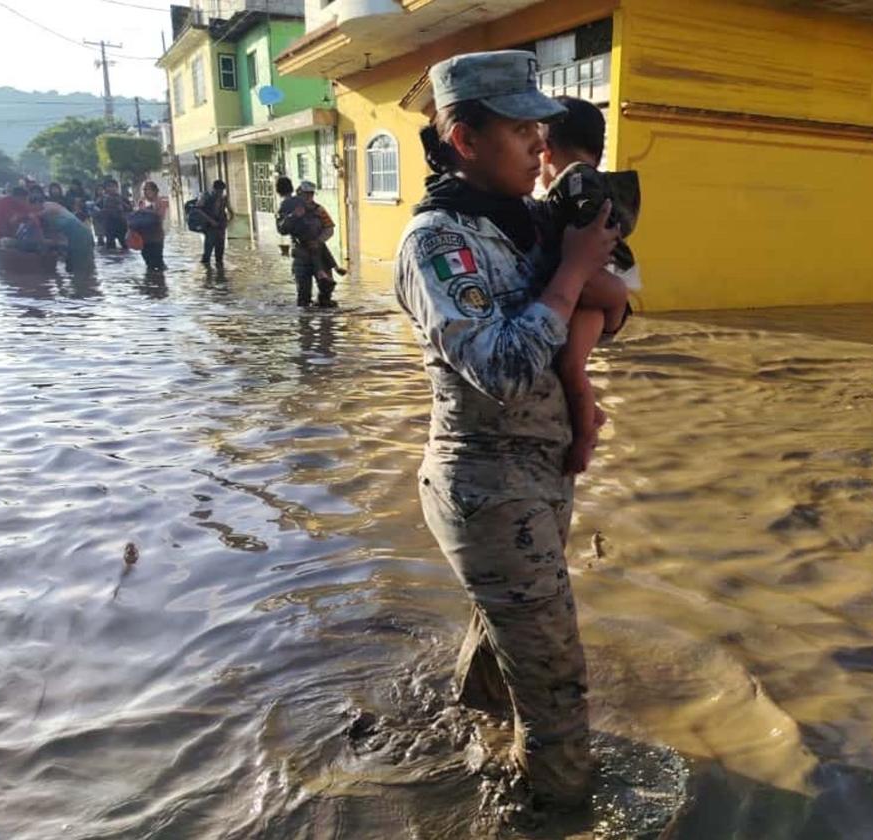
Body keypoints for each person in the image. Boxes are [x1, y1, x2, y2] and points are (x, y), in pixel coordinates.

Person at [395, 50, 619, 811]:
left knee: (506, 649)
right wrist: (573, 273)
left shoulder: (525, 224)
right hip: (487, 484)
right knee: (556, 681)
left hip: (540, 472)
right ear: (465, 139)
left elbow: (616, 308)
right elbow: (504, 368)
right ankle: (556, 815)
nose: (539, 144)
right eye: (521, 130)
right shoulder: (437, 243)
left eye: (541, 129)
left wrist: (588, 274)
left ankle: (470, 751)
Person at [539, 96, 640, 473]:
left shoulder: (576, 180)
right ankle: (589, 415)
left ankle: (585, 436)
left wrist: (573, 264)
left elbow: (587, 227)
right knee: (573, 364)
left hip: (594, 284)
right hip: (601, 284)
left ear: (546, 151)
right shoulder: (591, 181)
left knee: (571, 366)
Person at [276, 179, 345, 307]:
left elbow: (329, 228)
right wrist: (294, 216)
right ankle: (305, 318)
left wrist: (318, 241)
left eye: (311, 194)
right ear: (299, 193)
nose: (308, 197)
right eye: (305, 194)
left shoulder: (319, 210)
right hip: (301, 255)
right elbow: (282, 229)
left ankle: (324, 314)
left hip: (320, 253)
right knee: (303, 296)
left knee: (327, 289)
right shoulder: (289, 208)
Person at [39, 198, 95, 274]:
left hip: (78, 239)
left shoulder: (45, 211)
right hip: (82, 236)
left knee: (79, 270)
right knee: (83, 270)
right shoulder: (51, 207)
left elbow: (53, 238)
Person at [130, 181, 168, 272]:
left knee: (158, 261)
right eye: (143, 190)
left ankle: (161, 278)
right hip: (143, 237)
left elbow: (160, 217)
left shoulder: (160, 202)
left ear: (154, 191)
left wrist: (146, 211)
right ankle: (151, 279)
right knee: (148, 261)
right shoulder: (141, 202)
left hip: (156, 237)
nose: (145, 192)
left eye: (147, 189)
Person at [197, 179, 233, 267]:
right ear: (214, 189)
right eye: (218, 191)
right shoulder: (206, 197)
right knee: (207, 253)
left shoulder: (224, 199)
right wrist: (210, 220)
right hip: (210, 227)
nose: (220, 193)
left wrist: (228, 221)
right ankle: (207, 271)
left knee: (219, 254)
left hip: (220, 227)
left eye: (221, 191)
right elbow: (198, 210)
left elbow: (230, 211)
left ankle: (220, 271)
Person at [97, 179, 130, 249]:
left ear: (117, 187)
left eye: (112, 186)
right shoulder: (103, 199)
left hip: (121, 224)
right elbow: (97, 210)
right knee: (110, 246)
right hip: (109, 225)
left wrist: (121, 203)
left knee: (125, 245)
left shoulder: (122, 198)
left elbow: (129, 209)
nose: (110, 188)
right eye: (108, 186)